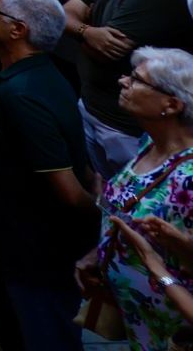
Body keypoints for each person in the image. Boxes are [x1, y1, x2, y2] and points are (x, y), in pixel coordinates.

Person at [0, 0, 95, 351]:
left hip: (32, 258)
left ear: (17, 29)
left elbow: (70, 190)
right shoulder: (34, 76)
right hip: (18, 249)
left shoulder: (23, 95)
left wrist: (105, 225)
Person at [63, 0, 193, 179]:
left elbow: (102, 54)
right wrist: (88, 31)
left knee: (128, 194)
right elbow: (63, 15)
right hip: (91, 105)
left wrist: (81, 30)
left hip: (125, 125)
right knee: (98, 186)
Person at [77, 47, 193, 351]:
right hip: (136, 312)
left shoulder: (191, 174)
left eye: (137, 80)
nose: (122, 82)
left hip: (173, 323)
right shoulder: (146, 143)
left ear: (172, 103)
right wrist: (98, 253)